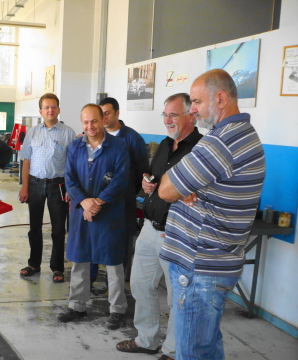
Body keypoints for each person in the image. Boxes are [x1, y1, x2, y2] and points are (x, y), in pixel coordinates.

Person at [158, 69, 265, 360]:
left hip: (200, 269)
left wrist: (180, 185)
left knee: (193, 353)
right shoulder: (236, 135)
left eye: (196, 102)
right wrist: (184, 184)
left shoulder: (222, 142)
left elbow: (165, 190)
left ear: (220, 98)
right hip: (211, 264)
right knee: (206, 348)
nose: (192, 110)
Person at [116, 93, 202, 360]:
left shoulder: (201, 148)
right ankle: (147, 339)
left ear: (192, 115)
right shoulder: (165, 145)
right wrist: (147, 184)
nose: (167, 120)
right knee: (141, 285)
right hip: (150, 229)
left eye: (173, 115)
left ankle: (174, 350)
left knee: (178, 296)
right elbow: (154, 179)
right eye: (165, 115)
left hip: (177, 234)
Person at [57, 104, 129, 330]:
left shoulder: (118, 147)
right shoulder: (75, 147)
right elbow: (70, 178)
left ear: (103, 120)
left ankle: (117, 309)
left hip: (109, 213)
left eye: (94, 121)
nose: (90, 126)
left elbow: (121, 179)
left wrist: (97, 202)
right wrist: (84, 201)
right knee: (80, 258)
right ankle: (77, 305)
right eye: (86, 122)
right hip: (82, 212)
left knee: (113, 262)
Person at [89, 97, 149, 284]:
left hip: (122, 203)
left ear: (117, 113)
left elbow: (141, 172)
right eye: (101, 113)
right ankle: (89, 281)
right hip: (96, 202)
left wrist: (127, 193)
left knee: (118, 246)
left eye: (107, 113)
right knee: (93, 242)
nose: (104, 117)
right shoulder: (94, 137)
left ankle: (113, 287)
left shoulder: (132, 139)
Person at [18, 93, 76, 283]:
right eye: (46, 107)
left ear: (58, 109)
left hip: (58, 185)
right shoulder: (32, 132)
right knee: (34, 227)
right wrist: (24, 187)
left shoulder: (68, 133)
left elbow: (72, 164)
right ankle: (33, 263)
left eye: (53, 107)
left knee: (58, 229)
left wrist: (69, 188)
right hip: (34, 184)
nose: (50, 110)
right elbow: (26, 160)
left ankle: (57, 268)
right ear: (40, 111)